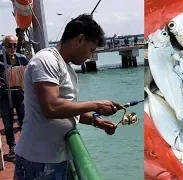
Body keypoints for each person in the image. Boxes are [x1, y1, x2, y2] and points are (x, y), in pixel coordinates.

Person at [14, 14, 124, 180]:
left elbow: (67, 109)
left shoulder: (64, 66)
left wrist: (96, 121)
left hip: (54, 157)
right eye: (91, 50)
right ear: (80, 40)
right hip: (38, 160)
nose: (90, 56)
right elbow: (51, 107)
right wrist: (95, 105)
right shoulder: (46, 60)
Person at [0, 35, 28, 158]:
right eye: (9, 45)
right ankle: (12, 146)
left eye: (14, 45)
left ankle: (26, 145)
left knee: (24, 120)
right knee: (8, 123)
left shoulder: (22, 59)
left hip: (20, 94)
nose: (12, 48)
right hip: (4, 94)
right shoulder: (0, 59)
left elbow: (30, 74)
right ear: (4, 46)